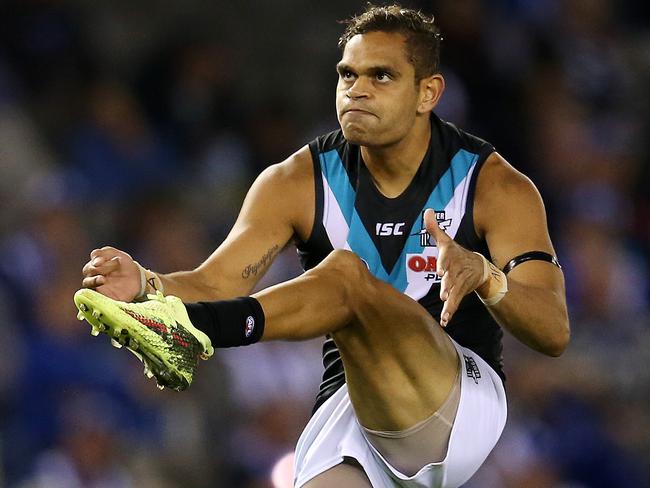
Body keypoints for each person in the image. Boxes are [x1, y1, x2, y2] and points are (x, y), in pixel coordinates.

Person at [75, 5, 569, 487]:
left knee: (347, 277)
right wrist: (146, 284)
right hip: (352, 409)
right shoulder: (295, 181)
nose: (357, 91)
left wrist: (487, 276)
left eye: (381, 77)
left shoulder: (492, 185)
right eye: (347, 75)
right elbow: (213, 281)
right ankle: (182, 329)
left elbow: (553, 330)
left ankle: (191, 333)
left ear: (427, 93)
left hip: (460, 403)